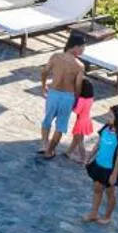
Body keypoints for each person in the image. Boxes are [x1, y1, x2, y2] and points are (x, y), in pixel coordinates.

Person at [38, 31, 87, 159]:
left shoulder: (56, 57)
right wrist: (76, 99)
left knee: (47, 120)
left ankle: (44, 145)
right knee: (61, 126)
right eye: (82, 47)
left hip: (53, 93)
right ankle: (50, 151)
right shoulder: (79, 66)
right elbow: (78, 86)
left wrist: (43, 86)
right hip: (68, 96)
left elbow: (44, 72)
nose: (83, 50)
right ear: (76, 46)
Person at [84, 107, 118, 224]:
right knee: (97, 188)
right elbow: (98, 143)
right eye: (108, 115)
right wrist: (90, 156)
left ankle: (107, 216)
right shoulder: (106, 127)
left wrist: (114, 174)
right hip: (98, 165)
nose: (108, 118)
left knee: (110, 193)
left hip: (110, 169)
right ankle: (94, 213)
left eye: (111, 116)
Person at [68, 78, 97, 162]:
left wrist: (71, 107)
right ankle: (68, 152)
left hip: (80, 121)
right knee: (76, 138)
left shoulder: (81, 99)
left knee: (79, 141)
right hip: (87, 120)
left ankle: (83, 158)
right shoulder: (90, 99)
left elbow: (77, 110)